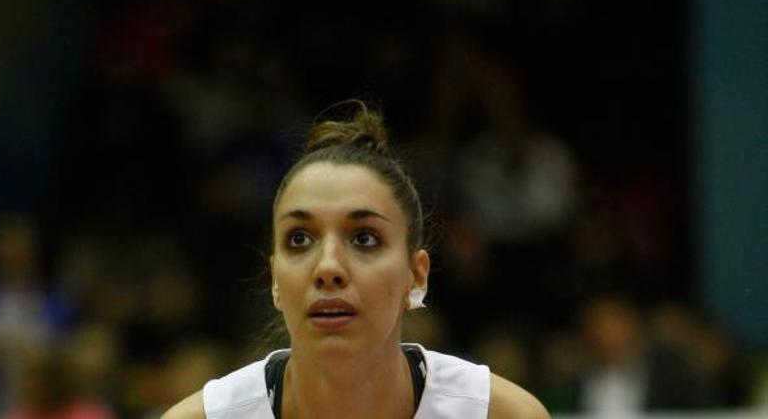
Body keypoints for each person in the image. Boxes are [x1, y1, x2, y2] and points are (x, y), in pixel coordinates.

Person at [162, 101, 550, 418]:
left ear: (416, 275)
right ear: (275, 279)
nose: (328, 267)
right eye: (299, 239)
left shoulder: (502, 415)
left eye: (364, 238)